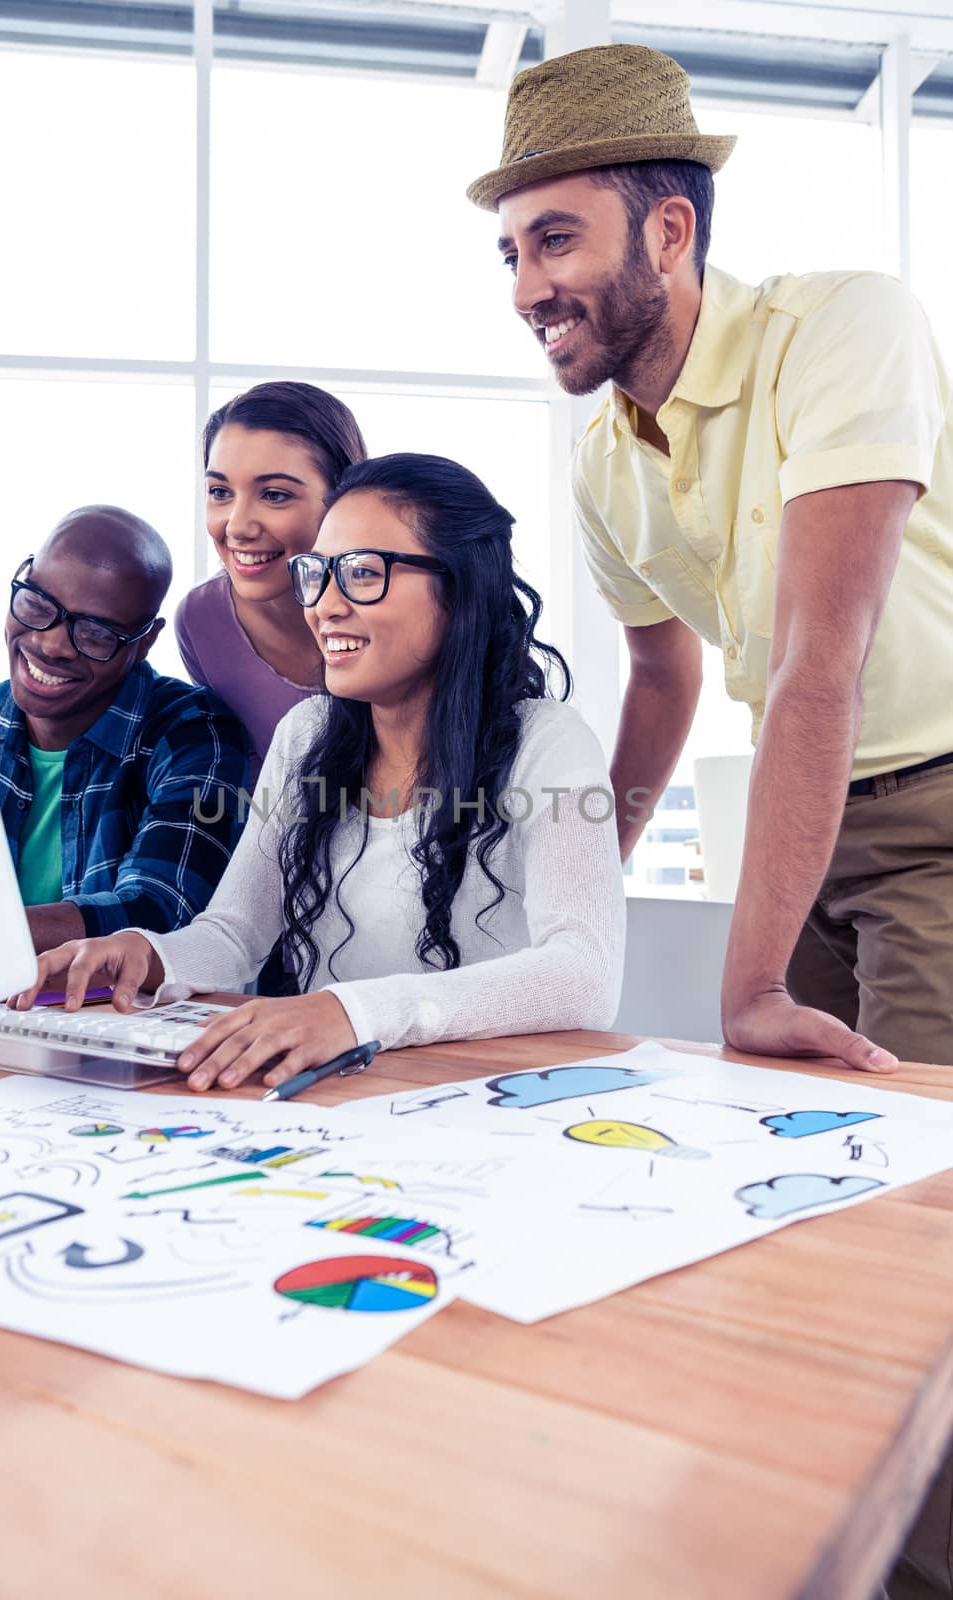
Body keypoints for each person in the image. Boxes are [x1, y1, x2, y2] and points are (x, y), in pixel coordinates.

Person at [469, 42, 953, 1600]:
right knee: (792, 1192)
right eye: (509, 252)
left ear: (665, 234)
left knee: (915, 1218)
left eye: (553, 239)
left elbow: (819, 665)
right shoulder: (605, 460)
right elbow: (660, 678)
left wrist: (742, 984)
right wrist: (579, 899)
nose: (524, 285)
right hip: (807, 823)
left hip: (938, 799)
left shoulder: (839, 324)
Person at [9, 454, 626, 1094]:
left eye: (361, 573)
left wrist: (351, 1012)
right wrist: (149, 952)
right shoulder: (306, 736)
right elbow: (235, 934)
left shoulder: (547, 743)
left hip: (481, 1102)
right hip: (336, 1096)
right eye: (318, 573)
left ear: (461, 587)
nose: (324, 606)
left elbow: (585, 974)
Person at [0, 505, 249, 954]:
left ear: (144, 642)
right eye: (36, 604)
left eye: (97, 633)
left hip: (109, 1018)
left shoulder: (194, 733)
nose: (50, 644)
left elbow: (161, 912)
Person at [175, 382, 368, 770]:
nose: (238, 527)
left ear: (343, 496)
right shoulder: (201, 620)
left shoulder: (396, 608)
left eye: (274, 495)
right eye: (219, 492)